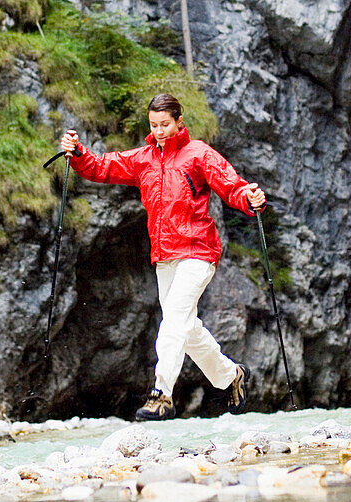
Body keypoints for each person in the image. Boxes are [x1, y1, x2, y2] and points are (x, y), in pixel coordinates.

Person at [60, 92, 266, 421]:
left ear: (179, 122)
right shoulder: (143, 159)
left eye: (165, 124)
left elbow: (231, 186)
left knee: (172, 323)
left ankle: (161, 395)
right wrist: (78, 153)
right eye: (154, 125)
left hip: (198, 251)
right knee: (186, 328)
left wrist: (249, 197)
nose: (159, 130)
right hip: (165, 256)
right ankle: (231, 376)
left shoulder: (198, 154)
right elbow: (101, 168)